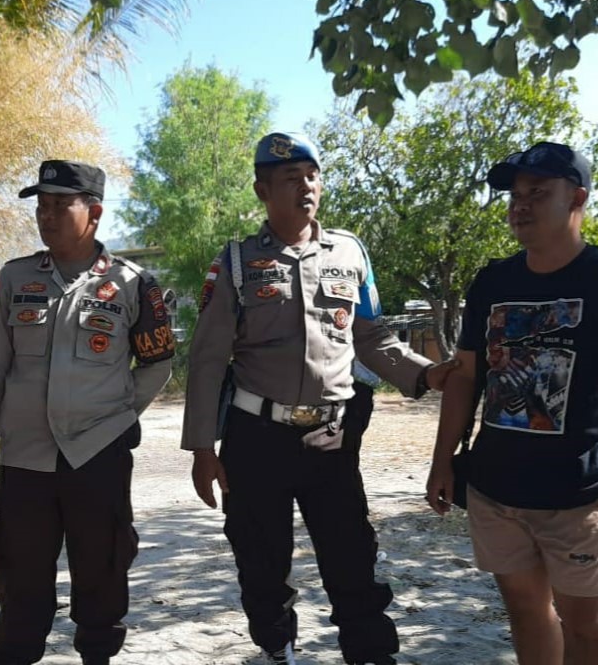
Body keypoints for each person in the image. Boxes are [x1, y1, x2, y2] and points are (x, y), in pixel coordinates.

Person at [182, 131, 456, 665]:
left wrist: (428, 375)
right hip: (256, 440)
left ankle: (371, 654)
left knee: (351, 557)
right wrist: (202, 449)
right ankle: (276, 645)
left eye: (312, 176)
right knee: (262, 564)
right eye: (290, 179)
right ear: (263, 189)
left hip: (331, 438)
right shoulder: (238, 263)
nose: (305, 188)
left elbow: (372, 337)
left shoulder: (349, 253)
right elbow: (209, 357)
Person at [425, 141, 598, 665]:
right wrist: (442, 461)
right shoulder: (494, 280)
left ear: (577, 197)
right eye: (515, 194)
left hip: (581, 493)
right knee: (525, 610)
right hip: (496, 488)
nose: (521, 205)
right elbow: (466, 376)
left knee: (590, 622)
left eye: (539, 192)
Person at [0, 160, 174, 665]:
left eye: (60, 205)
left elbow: (158, 362)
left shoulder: (132, 283)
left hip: (98, 456)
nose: (46, 216)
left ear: (93, 212)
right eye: (42, 206)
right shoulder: (15, 279)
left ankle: (98, 656)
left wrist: (118, 416)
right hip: (26, 460)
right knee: (20, 582)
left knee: (101, 575)